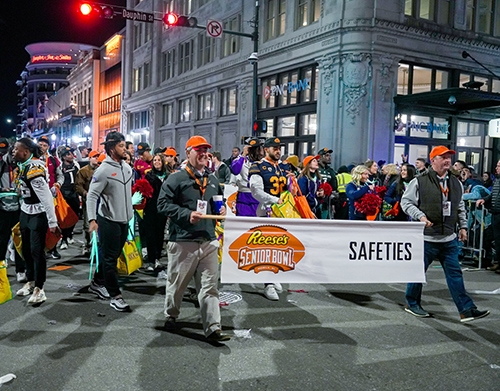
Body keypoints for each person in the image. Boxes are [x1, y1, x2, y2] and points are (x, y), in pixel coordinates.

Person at [401, 145, 490, 322]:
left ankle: (466, 309)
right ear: (433, 161)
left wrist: (463, 227)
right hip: (427, 237)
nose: (448, 160)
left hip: (449, 238)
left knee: (455, 273)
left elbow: (460, 207)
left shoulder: (455, 182)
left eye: (449, 157)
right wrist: (420, 216)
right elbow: (406, 202)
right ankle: (412, 303)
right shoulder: (419, 181)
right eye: (443, 157)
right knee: (418, 273)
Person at [157, 135, 230, 342]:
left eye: (206, 150)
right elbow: (162, 205)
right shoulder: (176, 178)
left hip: (208, 239)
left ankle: (213, 328)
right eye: (199, 150)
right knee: (177, 284)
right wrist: (186, 214)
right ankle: (171, 315)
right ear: (188, 152)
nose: (204, 153)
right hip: (183, 240)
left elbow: (218, 202)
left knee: (210, 286)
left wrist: (222, 208)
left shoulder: (213, 179)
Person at [87, 132, 134, 311]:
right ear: (112, 148)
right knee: (109, 259)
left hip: (124, 221)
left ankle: (97, 282)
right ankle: (115, 295)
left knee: (112, 256)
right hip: (108, 221)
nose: (125, 149)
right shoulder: (103, 170)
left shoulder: (127, 168)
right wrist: (92, 220)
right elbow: (92, 195)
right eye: (122, 146)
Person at [13, 138, 58, 304]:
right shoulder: (23, 166)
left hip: (38, 212)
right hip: (26, 210)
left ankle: (40, 288)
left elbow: (46, 197)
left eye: (16, 149)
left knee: (36, 251)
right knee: (25, 249)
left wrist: (52, 222)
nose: (13, 151)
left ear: (25, 151)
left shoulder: (35, 167)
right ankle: (30, 281)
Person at [249, 137, 288, 301]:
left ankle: (274, 274)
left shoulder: (282, 167)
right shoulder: (258, 166)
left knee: (278, 248)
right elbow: (255, 191)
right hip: (266, 211)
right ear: (266, 149)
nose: (278, 151)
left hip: (280, 212)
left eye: (279, 148)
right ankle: (268, 283)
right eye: (275, 148)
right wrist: (274, 200)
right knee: (266, 249)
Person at [0, 139, 25, 282]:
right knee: (2, 241)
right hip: (3, 209)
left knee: (19, 241)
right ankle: (1, 268)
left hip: (19, 208)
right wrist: (2, 190)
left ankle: (20, 270)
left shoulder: (21, 166)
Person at [38, 135, 63, 260]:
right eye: (40, 144)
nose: (42, 147)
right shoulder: (31, 159)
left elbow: (60, 176)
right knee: (39, 224)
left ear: (48, 147)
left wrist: (57, 184)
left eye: (44, 145)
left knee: (53, 223)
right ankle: (40, 249)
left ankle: (53, 248)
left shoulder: (53, 160)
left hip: (51, 196)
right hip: (36, 198)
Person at [143, 153, 169, 271]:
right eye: (155, 160)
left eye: (159, 160)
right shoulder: (149, 175)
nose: (157, 162)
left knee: (160, 234)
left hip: (162, 209)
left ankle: (157, 258)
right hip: (150, 208)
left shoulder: (168, 176)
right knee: (150, 234)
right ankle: (151, 260)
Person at [477, 159, 500, 272]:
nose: (496, 168)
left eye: (499, 166)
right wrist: (483, 200)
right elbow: (492, 196)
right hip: (495, 214)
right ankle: (496, 262)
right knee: (493, 238)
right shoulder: (497, 181)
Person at [75, 150, 100, 255]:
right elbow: (78, 186)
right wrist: (85, 193)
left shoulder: (101, 170)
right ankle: (88, 245)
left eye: (98, 157)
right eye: (94, 157)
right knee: (87, 224)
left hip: (100, 201)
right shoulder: (83, 171)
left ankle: (97, 245)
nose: (96, 159)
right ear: (89, 158)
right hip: (88, 201)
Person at [232, 137, 263, 217]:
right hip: (244, 196)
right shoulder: (240, 159)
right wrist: (243, 155)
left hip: (259, 195)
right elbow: (235, 170)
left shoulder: (263, 162)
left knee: (258, 225)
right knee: (243, 224)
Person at [59, 147, 80, 250]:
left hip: (74, 193)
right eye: (68, 154)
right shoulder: (60, 167)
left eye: (71, 153)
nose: (71, 156)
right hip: (64, 194)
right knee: (65, 217)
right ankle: (64, 238)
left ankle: (70, 233)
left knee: (76, 215)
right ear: (63, 157)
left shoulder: (76, 164)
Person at [317, 147, 338, 219]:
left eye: (329, 156)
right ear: (320, 157)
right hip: (317, 198)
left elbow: (334, 186)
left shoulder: (331, 171)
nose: (329, 157)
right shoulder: (316, 169)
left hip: (327, 201)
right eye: (326, 155)